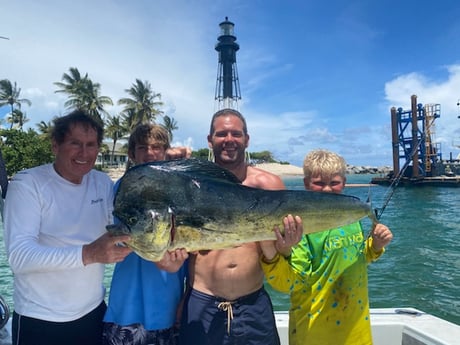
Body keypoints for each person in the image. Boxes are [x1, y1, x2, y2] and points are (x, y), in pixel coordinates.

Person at [3, 110, 132, 345]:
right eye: (75, 143)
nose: (84, 153)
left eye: (91, 145)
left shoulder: (102, 182)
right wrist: (89, 253)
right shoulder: (28, 184)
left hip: (93, 313)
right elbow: (19, 258)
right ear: (55, 145)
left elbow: (119, 232)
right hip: (40, 319)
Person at [179, 108, 303, 345]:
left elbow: (283, 253)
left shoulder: (268, 184)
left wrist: (287, 247)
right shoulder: (191, 185)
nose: (229, 140)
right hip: (202, 303)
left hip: (253, 304)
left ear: (247, 139)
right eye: (221, 134)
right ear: (210, 140)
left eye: (236, 134)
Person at [260, 149, 394, 345]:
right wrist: (279, 253)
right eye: (319, 183)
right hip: (314, 334)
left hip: (356, 331)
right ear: (306, 184)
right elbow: (288, 283)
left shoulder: (351, 216)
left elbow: (359, 257)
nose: (327, 189)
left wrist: (376, 246)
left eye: (334, 183)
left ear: (344, 183)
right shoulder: (298, 226)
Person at [103, 123, 190, 345]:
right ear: (132, 154)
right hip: (125, 308)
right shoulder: (120, 189)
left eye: (157, 147)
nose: (150, 153)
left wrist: (187, 298)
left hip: (169, 304)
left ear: (165, 151)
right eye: (142, 147)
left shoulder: (182, 190)